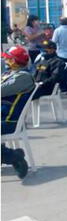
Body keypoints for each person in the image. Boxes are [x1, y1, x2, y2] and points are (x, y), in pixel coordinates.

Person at [1, 46, 35, 179]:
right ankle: (8, 154)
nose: (4, 59)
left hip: (9, 121)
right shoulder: (9, 73)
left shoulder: (22, 77)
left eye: (8, 58)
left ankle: (13, 156)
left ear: (14, 61)